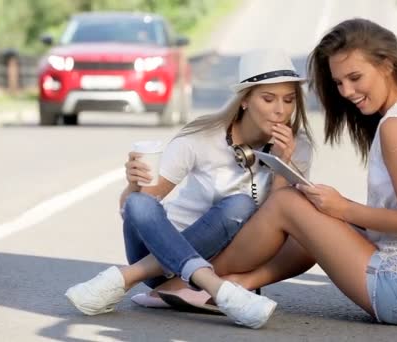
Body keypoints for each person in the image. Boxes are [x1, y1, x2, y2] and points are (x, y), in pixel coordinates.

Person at [183, 18, 397, 326]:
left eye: (355, 77)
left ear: (387, 65)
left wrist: (343, 207)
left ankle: (194, 279)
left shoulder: (396, 127)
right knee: (313, 214)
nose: (346, 91)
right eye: (339, 82)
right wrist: (334, 211)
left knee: (286, 203)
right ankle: (241, 282)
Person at [65, 49, 316, 329]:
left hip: (227, 258)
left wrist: (282, 164)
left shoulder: (298, 147)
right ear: (245, 101)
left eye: (289, 100)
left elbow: (276, 219)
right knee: (137, 204)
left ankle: (129, 278)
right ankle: (212, 288)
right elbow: (144, 205)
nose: (280, 110)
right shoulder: (202, 136)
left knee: (242, 205)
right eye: (268, 99)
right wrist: (133, 184)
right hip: (160, 251)